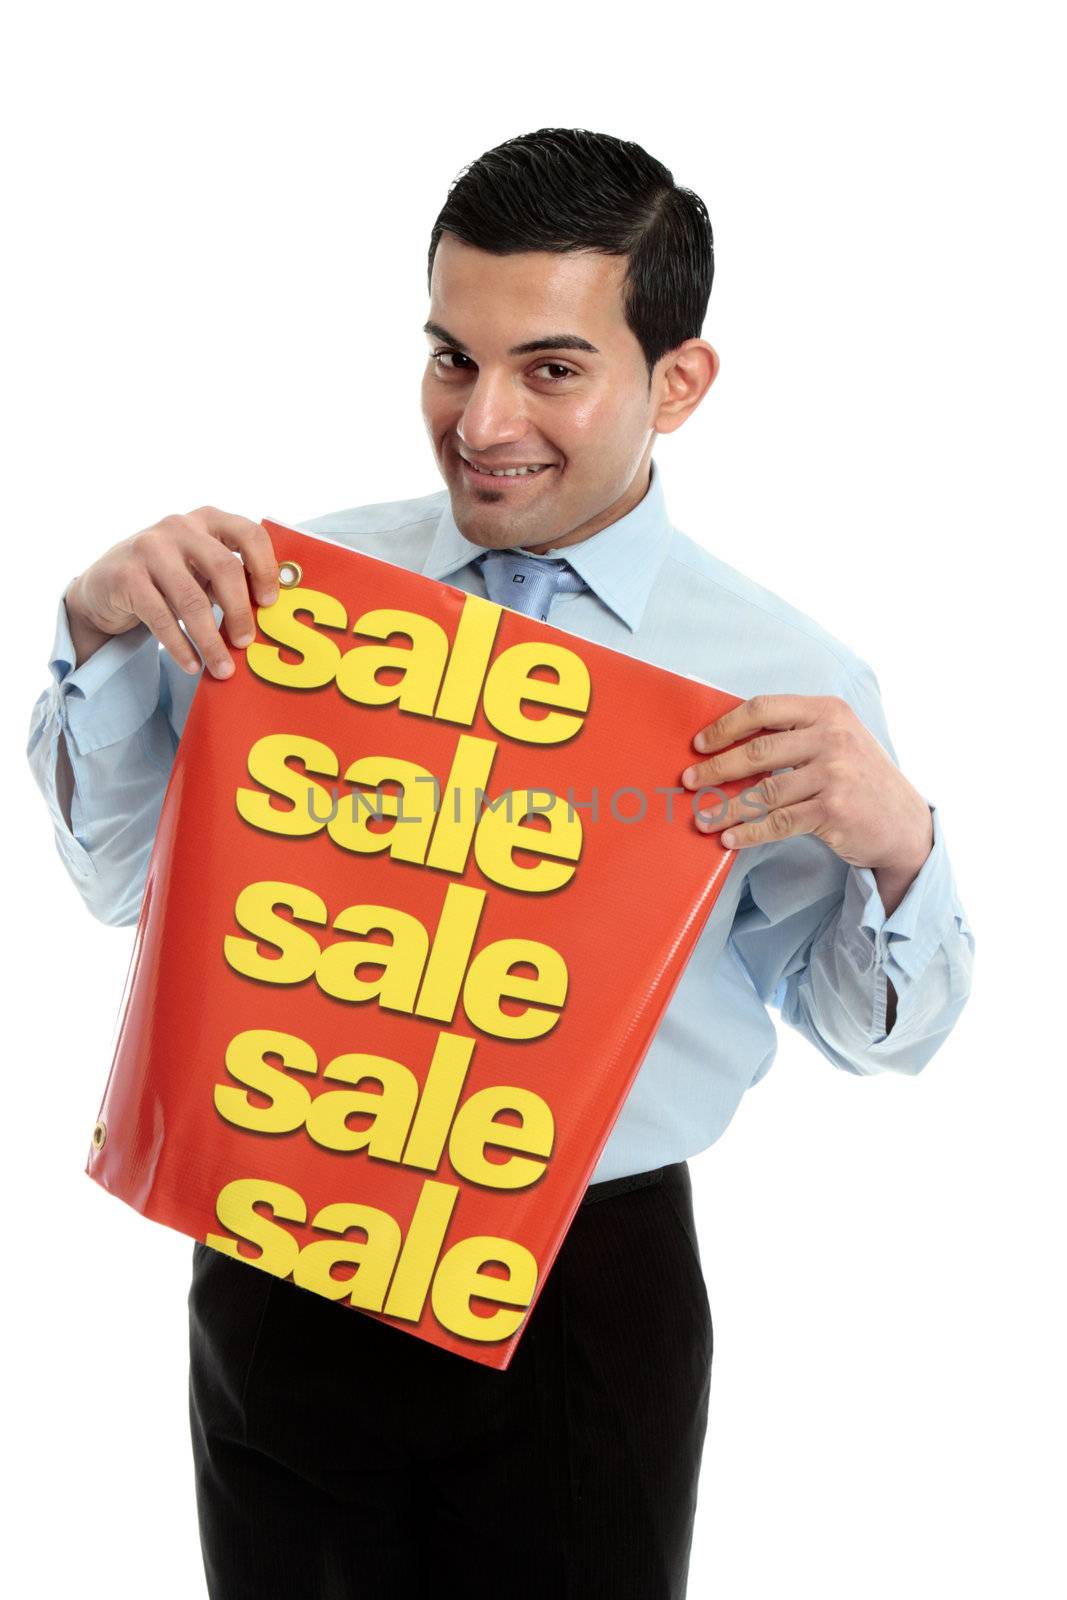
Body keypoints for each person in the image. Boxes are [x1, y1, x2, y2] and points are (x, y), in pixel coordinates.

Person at [26, 127, 975, 1599]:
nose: (480, 421)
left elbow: (876, 1035)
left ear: (679, 382)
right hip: (290, 1244)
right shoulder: (294, 593)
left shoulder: (779, 676)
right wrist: (95, 641)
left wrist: (903, 852)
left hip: (588, 1290)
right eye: (449, 358)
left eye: (549, 368)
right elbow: (125, 887)